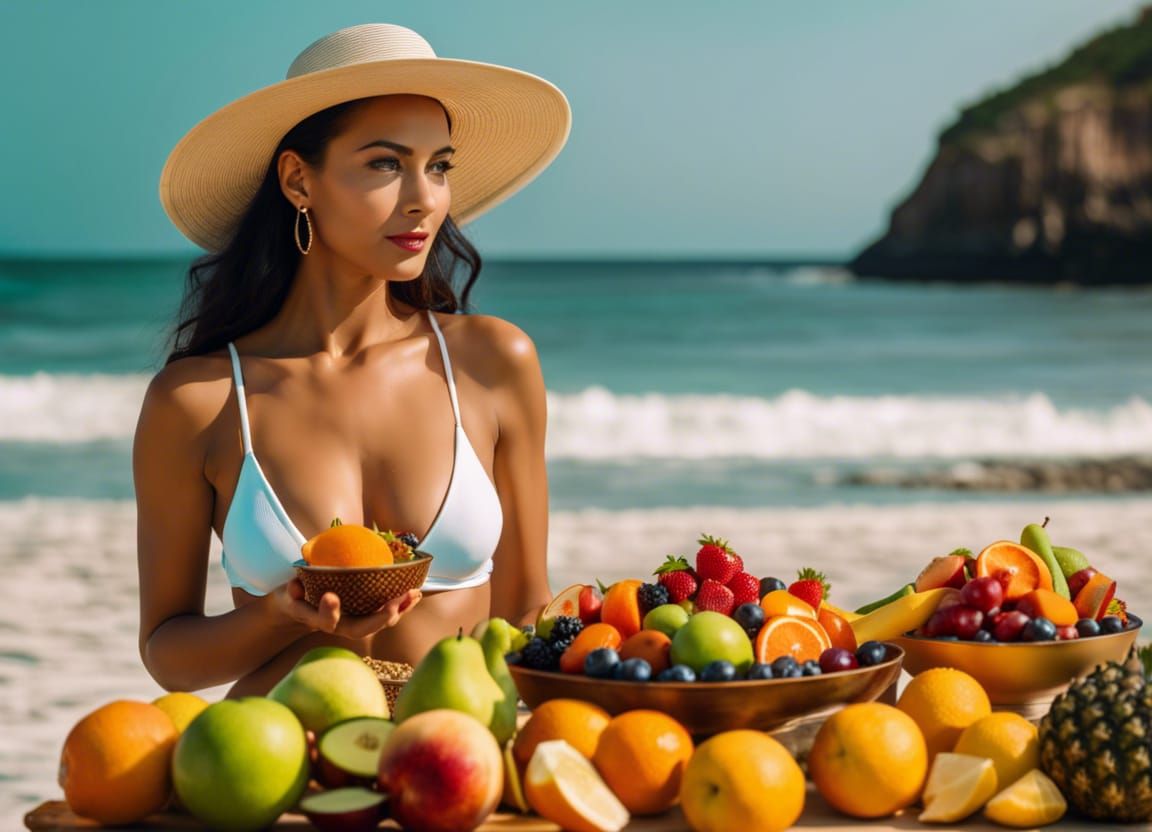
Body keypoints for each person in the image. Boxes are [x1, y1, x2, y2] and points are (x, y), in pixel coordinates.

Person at [134, 23, 571, 696]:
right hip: (280, 766)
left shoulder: (492, 362)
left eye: (439, 166)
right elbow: (170, 653)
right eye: (386, 164)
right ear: (297, 179)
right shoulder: (200, 400)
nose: (425, 198)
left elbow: (524, 615)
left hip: (459, 762)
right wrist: (283, 618)